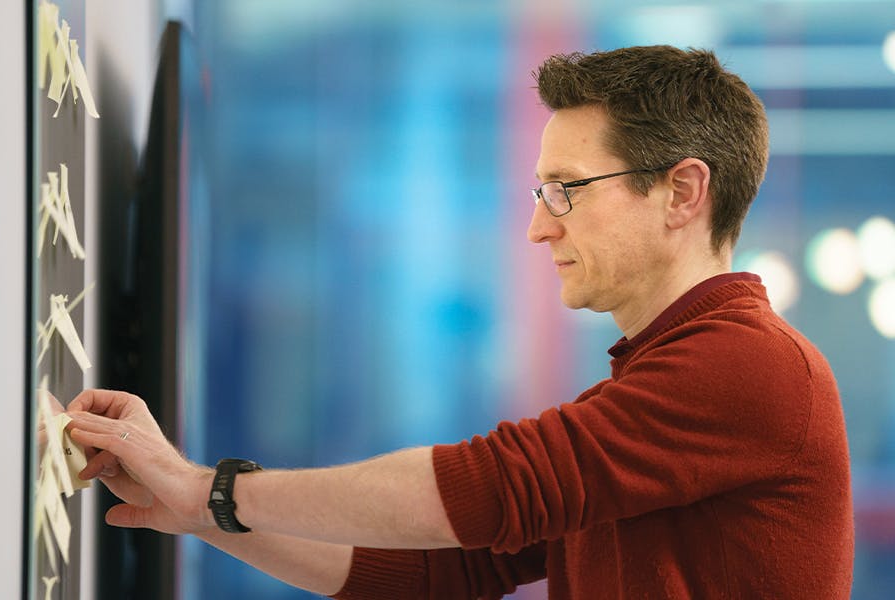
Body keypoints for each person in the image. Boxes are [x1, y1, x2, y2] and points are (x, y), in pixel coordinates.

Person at [67, 45, 854, 598]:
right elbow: (447, 572)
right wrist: (202, 516)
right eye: (540, 192)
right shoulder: (662, 377)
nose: (539, 228)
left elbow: (495, 489)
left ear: (683, 192)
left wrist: (213, 490)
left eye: (568, 188)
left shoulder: (754, 366)